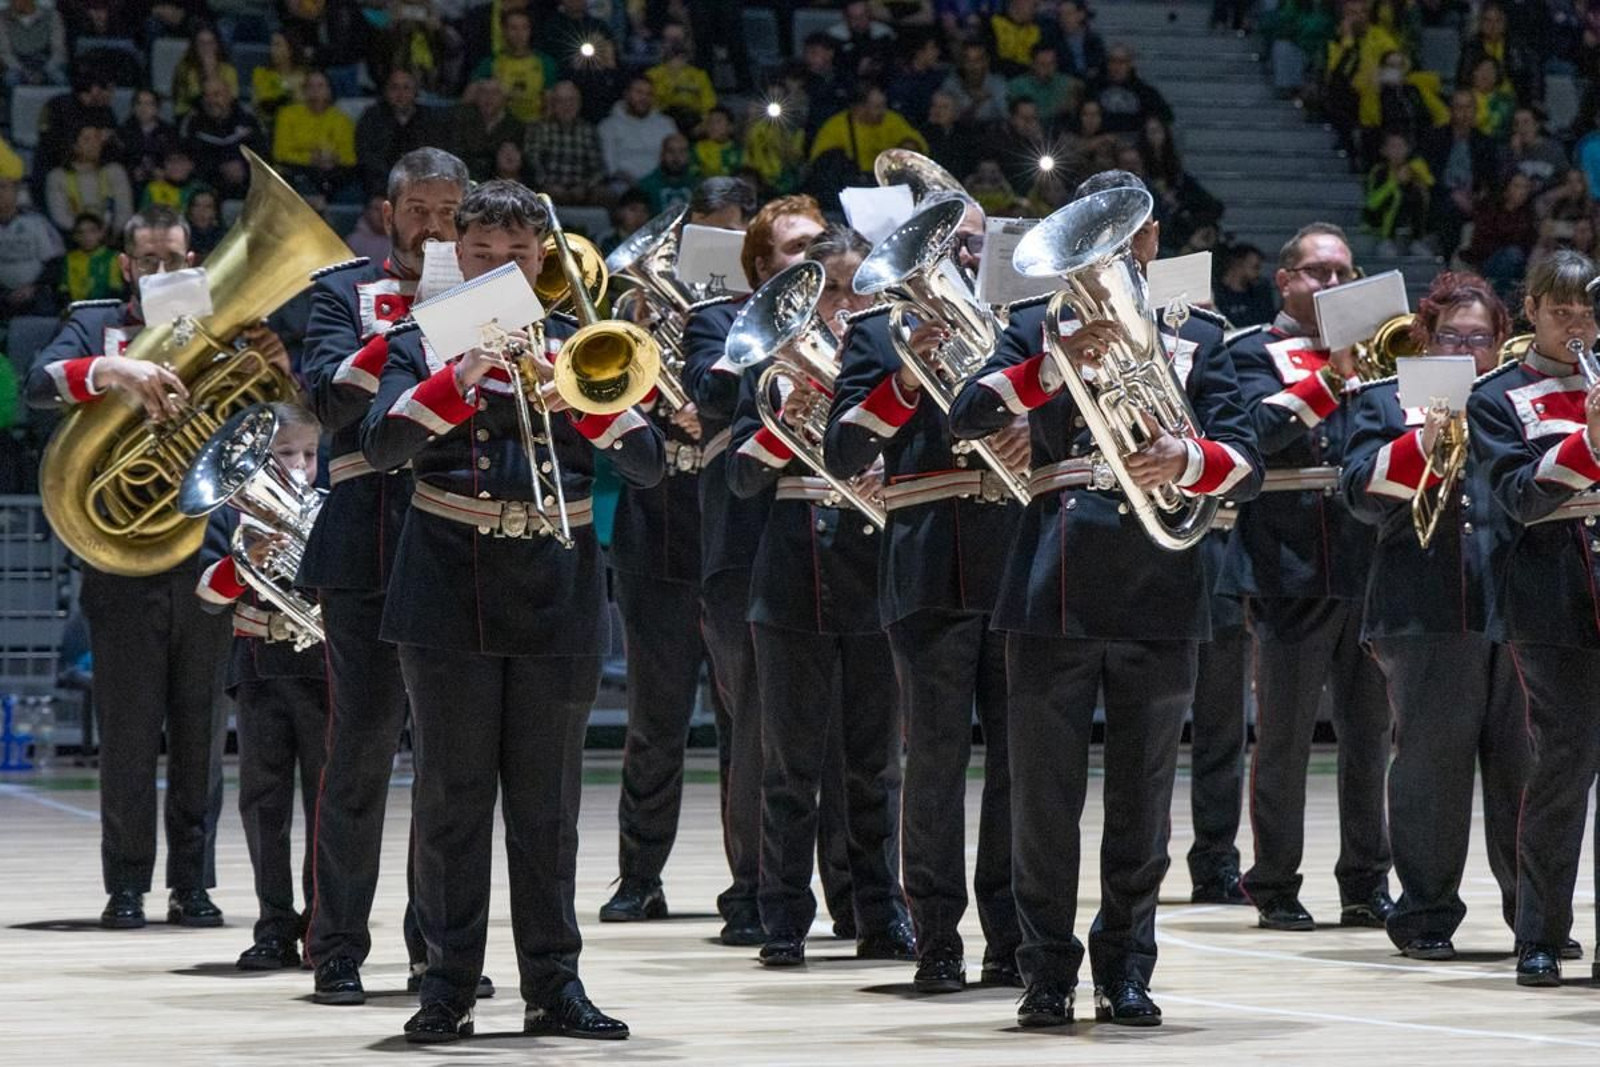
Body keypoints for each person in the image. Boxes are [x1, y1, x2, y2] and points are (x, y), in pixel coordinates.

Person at [948, 170, 1261, 1027]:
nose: (1113, 253)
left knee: (1143, 798)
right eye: (1092, 237)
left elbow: (1247, 454)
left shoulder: (1199, 332)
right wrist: (1052, 367)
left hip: (1161, 578)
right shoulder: (1029, 323)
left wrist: (1189, 461)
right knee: (1041, 797)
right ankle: (1043, 968)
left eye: (1127, 234)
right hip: (1054, 574)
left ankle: (1127, 964)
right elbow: (966, 412)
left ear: (1152, 241)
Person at [361, 178, 662, 1043]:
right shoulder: (420, 339)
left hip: (556, 588)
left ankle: (554, 984)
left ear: (544, 261)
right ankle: (448, 985)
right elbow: (381, 444)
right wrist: (461, 378)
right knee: (453, 803)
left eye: (519, 257)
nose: (501, 269)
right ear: (458, 256)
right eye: (483, 255)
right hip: (446, 586)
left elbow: (645, 465)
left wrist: (589, 410)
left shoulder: (581, 345)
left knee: (548, 808)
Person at [24, 206, 289, 931]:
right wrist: (115, 368)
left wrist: (276, 368)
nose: (161, 271)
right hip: (122, 560)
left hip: (204, 552)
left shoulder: (229, 327)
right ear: (127, 267)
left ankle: (192, 886)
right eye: (148, 260)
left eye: (174, 259)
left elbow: (277, 422)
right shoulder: (99, 324)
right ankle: (127, 885)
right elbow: (36, 383)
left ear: (196, 262)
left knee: (202, 733)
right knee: (129, 733)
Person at [823, 194, 1028, 991]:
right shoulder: (878, 331)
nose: (969, 255)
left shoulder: (1027, 326)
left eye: (979, 242)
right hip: (929, 559)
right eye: (955, 243)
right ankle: (937, 936)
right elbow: (843, 450)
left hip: (1017, 555)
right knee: (936, 759)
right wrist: (906, 382)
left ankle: (1013, 935)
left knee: (1020, 762)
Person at [298, 147, 471, 1006]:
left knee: (449, 764)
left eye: (448, 211)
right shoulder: (341, 291)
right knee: (360, 753)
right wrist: (407, 331)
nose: (434, 226)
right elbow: (329, 403)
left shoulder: (493, 292)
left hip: (457, 543)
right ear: (388, 212)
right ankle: (334, 946)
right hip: (365, 541)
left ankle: (438, 949)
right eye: (419, 211)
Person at [727, 224, 913, 969]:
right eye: (829, 289)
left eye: (855, 288)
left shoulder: (892, 357)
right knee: (790, 763)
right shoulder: (772, 363)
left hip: (875, 572)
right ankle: (782, 917)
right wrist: (789, 422)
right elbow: (741, 476)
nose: (842, 303)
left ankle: (879, 913)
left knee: (874, 764)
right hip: (791, 572)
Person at [1339, 271, 1527, 962]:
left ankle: (1535, 917)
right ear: (1425, 337)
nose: (1466, 349)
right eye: (1451, 335)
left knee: (1524, 769)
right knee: (1429, 772)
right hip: (1421, 610)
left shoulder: (1515, 401)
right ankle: (1424, 915)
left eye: (1481, 338)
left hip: (1515, 608)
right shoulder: (1383, 401)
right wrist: (1422, 442)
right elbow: (1359, 494)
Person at [679, 194, 846, 946]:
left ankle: (855, 891)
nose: (809, 258)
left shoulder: (853, 320)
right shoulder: (721, 322)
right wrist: (771, 343)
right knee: (756, 730)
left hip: (839, 545)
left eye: (819, 245)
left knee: (851, 730)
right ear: (759, 265)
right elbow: (711, 393)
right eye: (792, 248)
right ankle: (753, 891)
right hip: (747, 549)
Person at [1219, 222, 1395, 933]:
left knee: (1369, 734)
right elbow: (1256, 434)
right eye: (1318, 272)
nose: (1332, 285)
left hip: (1368, 557)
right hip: (1286, 557)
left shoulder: (1380, 356)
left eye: (1344, 273)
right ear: (1284, 279)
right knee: (1285, 736)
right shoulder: (1249, 351)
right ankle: (1274, 881)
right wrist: (1329, 379)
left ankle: (1365, 881)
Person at [600, 176, 757, 928]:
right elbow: (601, 398)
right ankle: (639, 875)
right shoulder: (640, 315)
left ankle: (748, 885)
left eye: (732, 237)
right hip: (655, 523)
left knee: (743, 718)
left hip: (731, 523)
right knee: (654, 717)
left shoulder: (763, 314)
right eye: (705, 238)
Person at [1466, 249, 1600, 987]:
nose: (1576, 322)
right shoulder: (1497, 397)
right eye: (1560, 309)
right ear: (1532, 311)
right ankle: (1539, 933)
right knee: (1563, 767)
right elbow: (1518, 497)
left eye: (1586, 309)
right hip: (1549, 599)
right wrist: (1591, 442)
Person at [193, 402, 328, 971]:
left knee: (328, 805)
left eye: (310, 454)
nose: (299, 466)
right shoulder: (232, 514)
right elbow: (207, 595)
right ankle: (273, 923)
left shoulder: (331, 508)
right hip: (258, 670)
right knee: (262, 803)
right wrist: (243, 559)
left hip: (324, 671)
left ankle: (324, 925)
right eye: (284, 454)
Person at [271, 70, 356, 204]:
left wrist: (334, 158)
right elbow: (280, 153)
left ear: (329, 90)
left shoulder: (342, 120)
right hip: (296, 170)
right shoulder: (287, 115)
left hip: (331, 173)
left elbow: (350, 158)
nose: (315, 91)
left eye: (320, 86)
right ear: (304, 90)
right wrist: (310, 158)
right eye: (310, 86)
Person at [355, 68, 439, 200]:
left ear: (415, 91)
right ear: (386, 91)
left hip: (422, 184)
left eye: (406, 88)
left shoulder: (429, 119)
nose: (400, 94)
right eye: (394, 88)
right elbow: (366, 157)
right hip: (379, 186)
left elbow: (434, 156)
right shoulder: (372, 117)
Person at [525, 82, 607, 206]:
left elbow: (598, 168)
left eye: (571, 100)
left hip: (583, 191)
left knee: (604, 193)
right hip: (548, 189)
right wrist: (548, 184)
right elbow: (532, 164)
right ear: (553, 104)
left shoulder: (589, 130)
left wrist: (585, 187)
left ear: (579, 104)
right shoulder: (538, 129)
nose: (567, 106)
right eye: (561, 101)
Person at [44, 125, 132, 235]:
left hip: (111, 240)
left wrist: (109, 233)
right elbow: (60, 217)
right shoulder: (57, 177)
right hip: (74, 240)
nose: (95, 144)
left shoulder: (115, 172)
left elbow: (124, 212)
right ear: (74, 145)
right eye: (87, 139)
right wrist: (88, 234)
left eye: (97, 138)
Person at [0, 175, 63, 319]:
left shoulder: (36, 222)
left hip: (36, 293)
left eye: (3, 187)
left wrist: (33, 287)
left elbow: (54, 262)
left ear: (16, 192)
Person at [599, 77, 679, 188]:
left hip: (661, 184)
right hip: (623, 186)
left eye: (649, 94)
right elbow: (609, 165)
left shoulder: (667, 124)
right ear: (626, 94)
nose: (644, 98)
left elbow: (676, 157)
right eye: (639, 92)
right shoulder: (608, 126)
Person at [645, 21, 716, 128]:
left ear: (687, 43)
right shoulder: (651, 75)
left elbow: (709, 106)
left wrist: (703, 125)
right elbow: (650, 107)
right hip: (660, 125)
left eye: (678, 40)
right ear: (662, 44)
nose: (675, 45)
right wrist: (672, 76)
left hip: (694, 125)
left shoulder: (700, 75)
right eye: (670, 40)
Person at [171, 26, 239, 118]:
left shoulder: (228, 69)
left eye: (210, 43)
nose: (206, 47)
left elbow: (233, 99)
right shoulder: (185, 67)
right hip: (190, 114)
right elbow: (195, 99)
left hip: (222, 114)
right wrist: (209, 72)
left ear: (217, 45)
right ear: (195, 45)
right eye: (201, 43)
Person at [59, 212, 121, 303]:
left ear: (101, 233)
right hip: (76, 309)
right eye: (81, 232)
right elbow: (64, 288)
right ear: (75, 236)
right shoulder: (70, 258)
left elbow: (115, 287)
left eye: (92, 231)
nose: (86, 236)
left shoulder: (112, 257)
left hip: (104, 308)